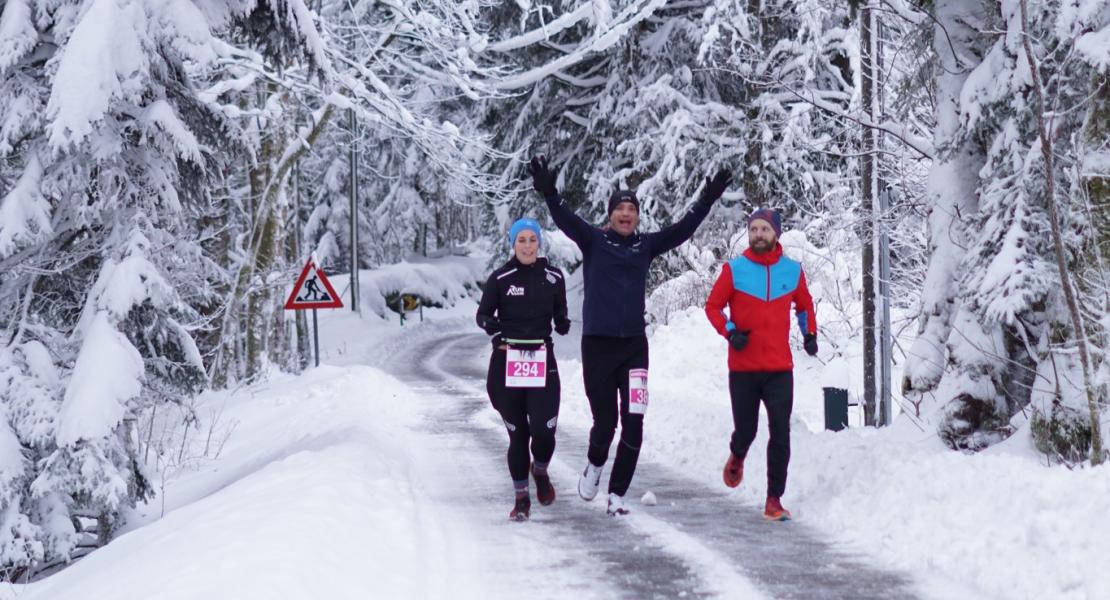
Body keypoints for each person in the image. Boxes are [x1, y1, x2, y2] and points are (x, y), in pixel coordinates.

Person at [527, 155, 731, 516]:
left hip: (634, 347)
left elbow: (682, 230)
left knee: (634, 421)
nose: (625, 214)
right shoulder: (593, 241)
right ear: (610, 215)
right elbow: (567, 220)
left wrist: (706, 200)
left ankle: (616, 495)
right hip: (598, 347)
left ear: (638, 216)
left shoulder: (646, 246)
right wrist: (550, 194)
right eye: (619, 209)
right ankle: (594, 465)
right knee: (605, 424)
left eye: (631, 209)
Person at [704, 208, 818, 521]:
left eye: (764, 229)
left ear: (776, 234)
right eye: (753, 229)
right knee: (747, 430)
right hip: (743, 368)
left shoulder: (792, 271)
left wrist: (809, 334)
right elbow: (713, 306)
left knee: (780, 432)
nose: (758, 234)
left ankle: (774, 499)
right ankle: (737, 454)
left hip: (780, 368)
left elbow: (804, 304)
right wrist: (730, 333)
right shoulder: (734, 269)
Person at [476, 218, 571, 521]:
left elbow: (560, 312)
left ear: (539, 242)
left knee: (544, 431)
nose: (528, 246)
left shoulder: (554, 277)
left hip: (542, 362)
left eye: (532, 239)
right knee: (519, 436)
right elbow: (483, 314)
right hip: (507, 364)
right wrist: (489, 325)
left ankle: (539, 470)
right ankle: (521, 499)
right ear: (513, 244)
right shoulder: (501, 278)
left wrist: (562, 322)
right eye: (522, 240)